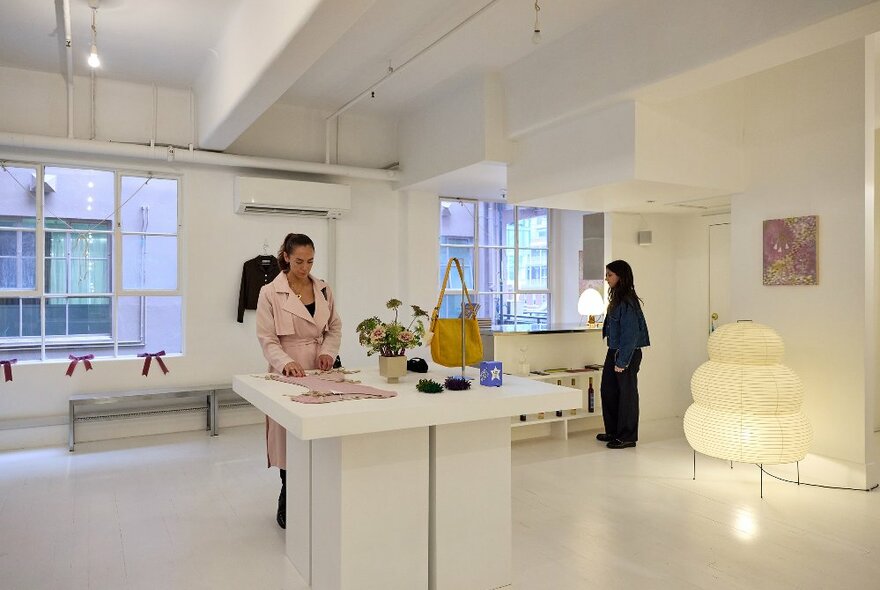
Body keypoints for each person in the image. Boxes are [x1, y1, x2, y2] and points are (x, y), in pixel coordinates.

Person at [256, 233, 342, 528]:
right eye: (299, 261)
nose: (305, 267)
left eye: (310, 261)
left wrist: (329, 352)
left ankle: (319, 497)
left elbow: (334, 328)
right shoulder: (270, 292)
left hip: (320, 368)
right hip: (286, 370)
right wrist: (285, 362)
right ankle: (287, 496)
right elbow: (267, 338)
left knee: (321, 432)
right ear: (286, 257)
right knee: (288, 435)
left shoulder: (324, 289)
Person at [596, 260, 650, 449]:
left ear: (621, 276)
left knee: (626, 395)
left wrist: (623, 360)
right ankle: (614, 431)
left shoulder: (628, 301)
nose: (607, 278)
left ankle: (626, 436)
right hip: (614, 351)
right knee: (608, 391)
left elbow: (631, 334)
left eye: (610, 274)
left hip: (626, 353)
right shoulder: (618, 299)